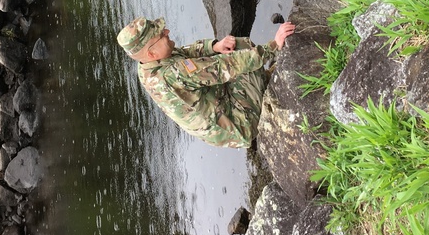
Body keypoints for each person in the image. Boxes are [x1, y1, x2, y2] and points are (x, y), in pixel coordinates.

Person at [116, 16, 296, 148]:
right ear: (152, 53)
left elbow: (184, 53)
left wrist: (214, 46)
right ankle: (269, 89)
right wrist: (274, 45)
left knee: (230, 49)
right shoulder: (173, 75)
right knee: (242, 49)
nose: (167, 32)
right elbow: (226, 66)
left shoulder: (146, 64)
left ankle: (262, 83)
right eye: (161, 35)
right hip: (241, 125)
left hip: (221, 109)